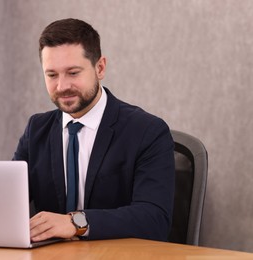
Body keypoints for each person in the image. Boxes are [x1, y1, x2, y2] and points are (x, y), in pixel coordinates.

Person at [13, 18, 175, 242]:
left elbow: (154, 219)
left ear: (100, 68)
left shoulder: (148, 131)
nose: (62, 86)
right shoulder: (36, 130)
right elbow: (9, 203)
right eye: (52, 75)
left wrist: (75, 223)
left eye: (73, 73)